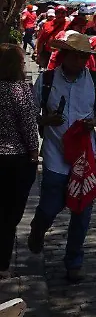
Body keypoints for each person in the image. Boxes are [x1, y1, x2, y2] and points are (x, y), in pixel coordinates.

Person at [28, 32, 96, 282]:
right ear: (65, 55)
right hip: (55, 155)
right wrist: (46, 120)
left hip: (84, 158)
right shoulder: (47, 80)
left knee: (82, 212)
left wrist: (95, 122)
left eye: (84, 56)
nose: (80, 60)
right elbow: (31, 113)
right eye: (76, 55)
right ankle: (38, 228)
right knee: (50, 207)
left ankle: (74, 260)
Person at [0, 44, 39, 278]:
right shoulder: (19, 89)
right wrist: (34, 152)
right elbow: (28, 124)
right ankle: (2, 264)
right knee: (10, 215)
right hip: (15, 159)